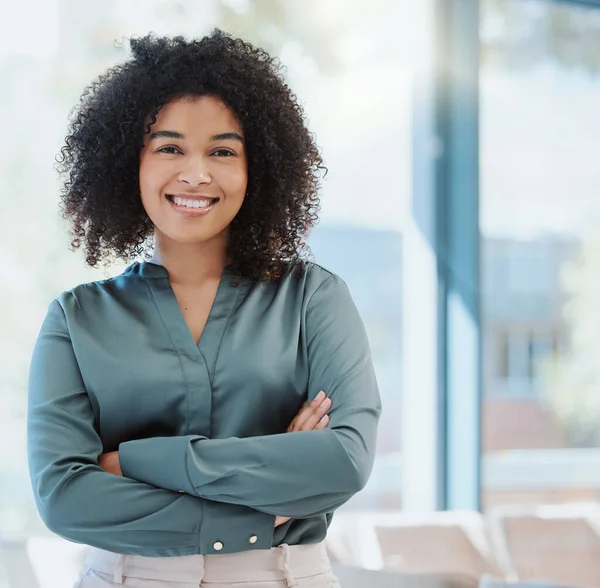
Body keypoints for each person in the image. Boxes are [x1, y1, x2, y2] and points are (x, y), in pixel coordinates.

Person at [27, 30, 381, 588]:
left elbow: (343, 462)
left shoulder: (313, 298)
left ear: (256, 168)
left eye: (222, 150)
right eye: (169, 148)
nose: (196, 174)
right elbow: (65, 499)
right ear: (128, 163)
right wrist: (268, 498)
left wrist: (140, 461)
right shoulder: (76, 320)